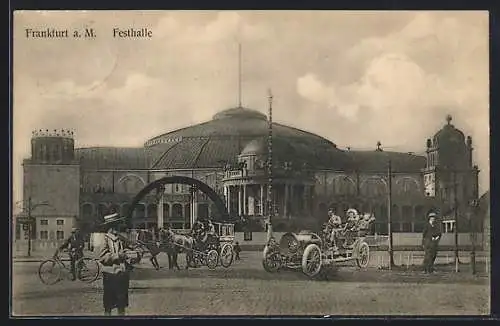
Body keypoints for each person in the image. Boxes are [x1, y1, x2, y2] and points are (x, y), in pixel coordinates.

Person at [99, 213, 134, 316]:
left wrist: (131, 255)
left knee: (121, 305)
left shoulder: (121, 238)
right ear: (110, 227)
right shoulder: (105, 239)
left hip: (122, 275)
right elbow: (102, 257)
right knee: (108, 305)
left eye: (117, 224)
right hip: (110, 275)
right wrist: (118, 256)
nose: (118, 227)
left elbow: (128, 250)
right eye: (115, 225)